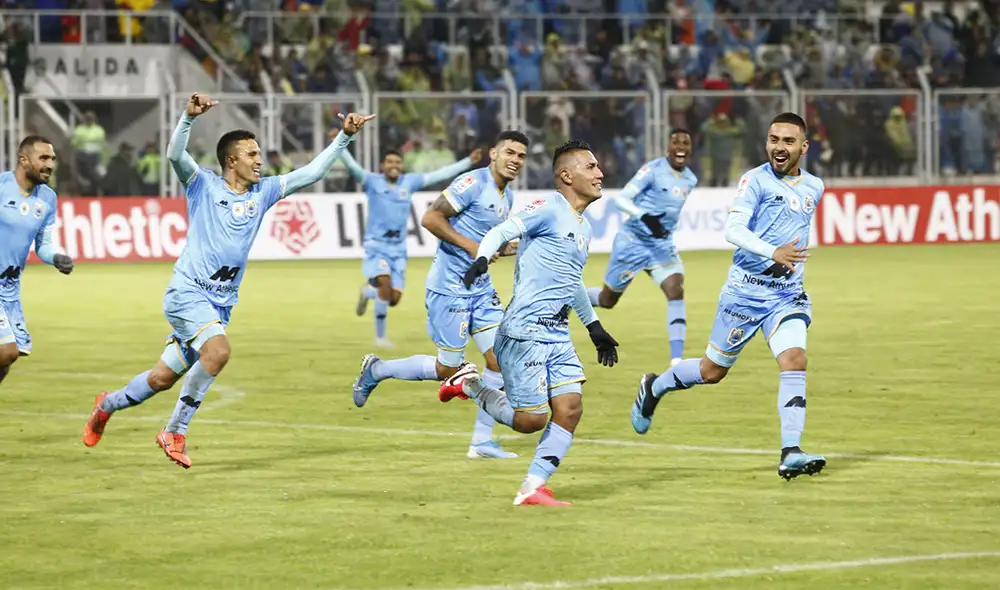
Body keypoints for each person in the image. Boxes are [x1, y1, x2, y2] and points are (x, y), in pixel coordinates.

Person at [82, 93, 375, 467]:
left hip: (220, 303)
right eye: (252, 155)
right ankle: (175, 430)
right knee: (218, 352)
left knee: (160, 380)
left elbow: (312, 173)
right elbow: (174, 156)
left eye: (259, 154)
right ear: (230, 160)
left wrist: (344, 137)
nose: (259, 161)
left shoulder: (264, 192)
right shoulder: (203, 185)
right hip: (187, 293)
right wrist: (187, 119)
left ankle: (105, 406)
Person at [630, 112, 826, 481]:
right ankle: (654, 386)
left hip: (786, 297)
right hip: (744, 294)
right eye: (773, 139)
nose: (779, 147)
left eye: (787, 141)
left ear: (804, 147)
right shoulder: (754, 181)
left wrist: (786, 264)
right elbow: (733, 230)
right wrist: (773, 253)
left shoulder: (814, 186)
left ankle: (791, 451)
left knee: (795, 359)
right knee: (712, 371)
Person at [439, 140, 620, 506]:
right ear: (566, 175)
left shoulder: (583, 227)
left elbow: (571, 282)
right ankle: (470, 385)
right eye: (591, 167)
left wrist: (594, 327)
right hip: (525, 331)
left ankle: (532, 487)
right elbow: (503, 231)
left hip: (557, 332)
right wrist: (483, 257)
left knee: (570, 408)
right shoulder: (548, 207)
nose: (600, 173)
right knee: (530, 421)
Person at [350, 131, 529, 460]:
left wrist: (526, 246)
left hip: (481, 290)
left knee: (501, 360)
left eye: (521, 156)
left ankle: (481, 442)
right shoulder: (472, 183)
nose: (515, 160)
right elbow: (431, 218)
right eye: (510, 152)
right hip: (449, 289)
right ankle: (377, 369)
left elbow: (493, 246)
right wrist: (474, 248)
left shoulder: (508, 197)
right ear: (494, 153)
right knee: (448, 369)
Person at [341, 145, 485, 347]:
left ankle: (368, 293)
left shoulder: (409, 182)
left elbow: (439, 175)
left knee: (393, 298)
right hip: (377, 246)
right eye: (390, 162)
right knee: (384, 282)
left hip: (398, 249)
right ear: (382, 165)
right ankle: (380, 338)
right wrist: (341, 144)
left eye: (398, 162)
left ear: (402, 166)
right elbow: (353, 167)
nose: (394, 165)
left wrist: (467, 162)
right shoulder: (372, 182)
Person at [586, 129, 698, 367]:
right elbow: (621, 199)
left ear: (690, 148)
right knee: (607, 300)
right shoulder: (652, 171)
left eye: (685, 142)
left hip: (661, 244)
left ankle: (677, 360)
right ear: (667, 147)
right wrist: (644, 217)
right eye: (675, 142)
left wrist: (663, 228)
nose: (680, 146)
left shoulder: (690, 179)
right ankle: (572, 297)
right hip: (633, 241)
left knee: (676, 289)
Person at [0, 136, 75, 388]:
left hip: (10, 289)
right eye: (43, 158)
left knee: (9, 358)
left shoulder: (48, 198)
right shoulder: (1, 186)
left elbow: (43, 244)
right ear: (24, 160)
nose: (50, 164)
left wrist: (56, 257)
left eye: (52, 158)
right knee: (6, 350)